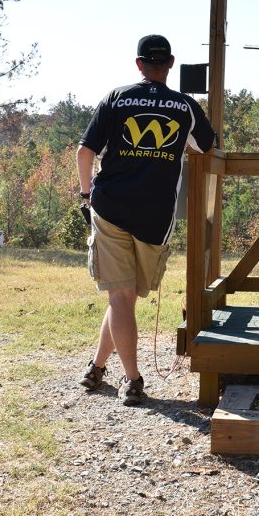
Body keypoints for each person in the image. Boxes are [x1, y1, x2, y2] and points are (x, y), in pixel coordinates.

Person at [77, 34, 215, 405]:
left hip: (110, 206)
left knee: (122, 298)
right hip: (155, 217)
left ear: (138, 64)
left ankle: (101, 367)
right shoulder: (184, 105)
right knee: (123, 296)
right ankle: (128, 377)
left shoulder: (116, 97)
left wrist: (86, 194)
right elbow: (207, 145)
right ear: (170, 64)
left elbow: (85, 152)